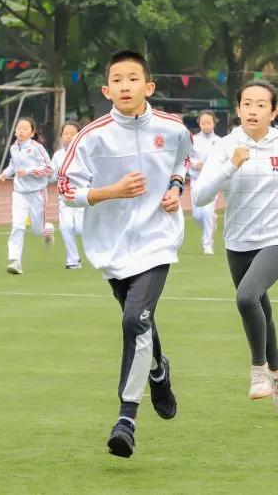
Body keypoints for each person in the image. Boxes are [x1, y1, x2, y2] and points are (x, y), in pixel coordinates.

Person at [58, 49, 192, 458]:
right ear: (106, 89)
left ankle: (126, 419)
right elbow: (65, 188)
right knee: (139, 322)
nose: (125, 86)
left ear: (148, 86)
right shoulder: (92, 136)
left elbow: (183, 160)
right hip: (111, 248)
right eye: (117, 80)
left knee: (136, 319)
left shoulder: (172, 128)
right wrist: (109, 192)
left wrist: (175, 189)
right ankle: (157, 369)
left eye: (133, 79)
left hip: (157, 241)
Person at [193, 80, 278, 411]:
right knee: (260, 307)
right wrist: (231, 164)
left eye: (261, 104)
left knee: (246, 296)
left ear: (274, 110)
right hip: (237, 242)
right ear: (237, 110)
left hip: (277, 238)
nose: (253, 110)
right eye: (246, 103)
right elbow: (200, 195)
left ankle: (259, 371)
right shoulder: (224, 147)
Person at [0, 117, 55, 275]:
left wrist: (29, 172)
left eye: (24, 128)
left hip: (37, 193)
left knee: (38, 230)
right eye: (18, 128)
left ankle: (48, 230)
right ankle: (15, 261)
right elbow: (13, 165)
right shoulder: (14, 148)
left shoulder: (37, 148)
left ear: (32, 132)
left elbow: (48, 169)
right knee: (17, 225)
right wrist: (5, 173)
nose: (20, 131)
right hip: (19, 193)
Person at [51, 121, 84, 269]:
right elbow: (51, 174)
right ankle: (73, 261)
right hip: (64, 198)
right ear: (61, 137)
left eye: (73, 134)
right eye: (66, 134)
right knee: (66, 227)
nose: (69, 137)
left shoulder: (84, 152)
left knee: (80, 228)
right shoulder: (58, 155)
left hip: (81, 196)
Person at [189, 110, 221, 255]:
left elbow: (224, 160)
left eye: (209, 122)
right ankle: (212, 220)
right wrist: (196, 164)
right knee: (197, 215)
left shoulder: (220, 141)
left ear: (214, 122)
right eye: (203, 123)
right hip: (196, 179)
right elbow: (186, 158)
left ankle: (207, 244)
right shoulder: (193, 139)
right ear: (199, 123)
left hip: (212, 181)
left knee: (207, 211)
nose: (206, 125)